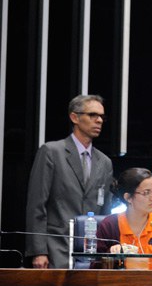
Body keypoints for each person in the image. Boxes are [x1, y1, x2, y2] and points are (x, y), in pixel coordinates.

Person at [25, 94, 114, 268]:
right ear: (75, 117)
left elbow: (105, 211)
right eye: (93, 115)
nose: (99, 120)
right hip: (55, 246)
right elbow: (37, 205)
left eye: (102, 117)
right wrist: (39, 251)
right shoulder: (51, 152)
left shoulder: (104, 162)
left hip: (91, 251)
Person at [96, 168, 152, 270]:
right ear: (128, 197)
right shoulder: (109, 225)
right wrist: (110, 255)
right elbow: (95, 269)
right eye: (146, 192)